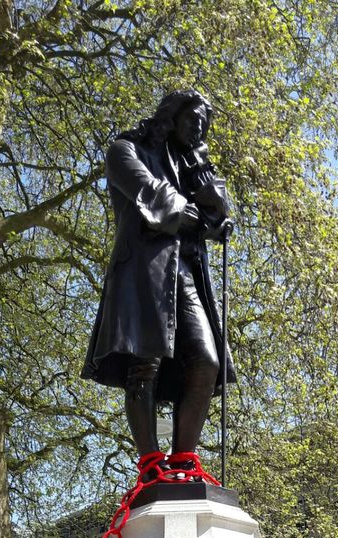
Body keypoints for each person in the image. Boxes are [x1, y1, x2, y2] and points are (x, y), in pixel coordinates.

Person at [82, 89, 235, 478]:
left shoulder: (189, 168)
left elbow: (217, 226)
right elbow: (151, 198)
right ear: (170, 116)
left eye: (205, 125)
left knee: (206, 360)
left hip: (184, 273)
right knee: (143, 362)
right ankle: (151, 464)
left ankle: (183, 462)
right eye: (193, 120)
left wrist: (212, 202)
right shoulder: (125, 150)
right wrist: (197, 215)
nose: (199, 130)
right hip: (143, 272)